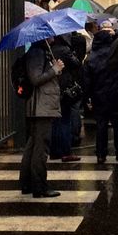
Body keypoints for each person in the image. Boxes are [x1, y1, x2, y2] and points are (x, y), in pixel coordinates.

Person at [19, 38, 64, 198]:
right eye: (50, 34)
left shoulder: (40, 52)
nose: (53, 37)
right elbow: (36, 79)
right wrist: (55, 69)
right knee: (41, 148)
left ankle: (27, 184)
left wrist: (54, 67)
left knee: (33, 146)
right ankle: (39, 187)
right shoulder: (37, 52)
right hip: (41, 108)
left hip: (40, 106)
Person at [83, 24, 118, 164]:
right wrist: (117, 34)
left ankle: (101, 154)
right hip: (116, 95)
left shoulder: (91, 58)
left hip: (99, 96)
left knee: (101, 126)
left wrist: (87, 98)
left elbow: (87, 82)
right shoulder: (116, 55)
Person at [50, 34, 82, 162]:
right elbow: (76, 63)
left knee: (55, 121)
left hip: (53, 88)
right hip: (65, 88)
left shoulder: (50, 50)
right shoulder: (65, 50)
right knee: (65, 120)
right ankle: (66, 151)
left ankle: (54, 151)